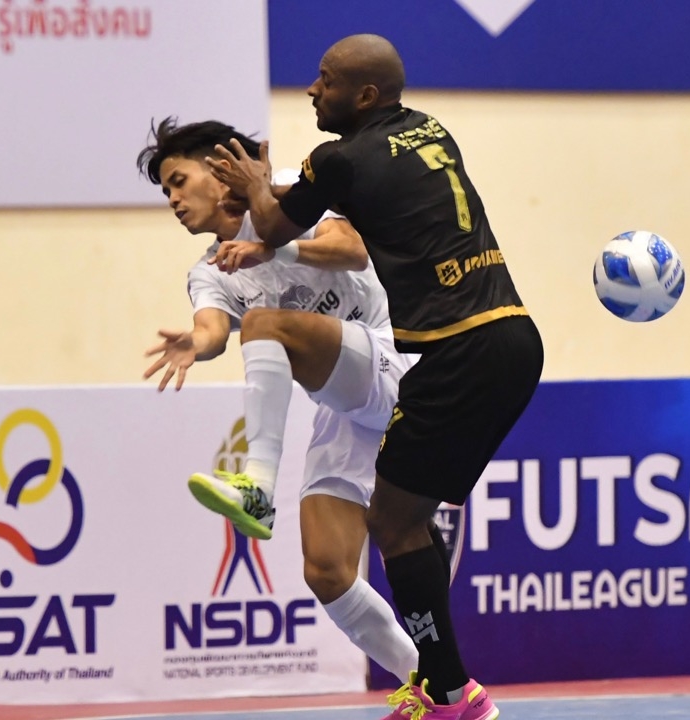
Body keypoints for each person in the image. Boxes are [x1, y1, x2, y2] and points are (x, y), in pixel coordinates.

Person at [208, 34, 544, 720]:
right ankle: (448, 690)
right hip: (515, 340)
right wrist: (270, 194)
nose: (312, 90)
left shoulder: (339, 158)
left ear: (364, 95)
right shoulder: (430, 130)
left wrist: (257, 187)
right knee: (403, 518)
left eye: (326, 80)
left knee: (394, 521)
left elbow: (272, 224)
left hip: (455, 350)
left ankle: (448, 694)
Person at [136, 116, 425, 683]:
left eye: (178, 181)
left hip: (395, 366)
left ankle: (258, 487)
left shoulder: (290, 194)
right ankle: (436, 686)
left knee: (264, 323)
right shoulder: (209, 272)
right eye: (166, 191)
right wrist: (195, 343)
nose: (172, 200)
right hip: (344, 408)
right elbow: (213, 330)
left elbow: (352, 250)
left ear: (220, 168)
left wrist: (274, 250)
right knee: (326, 570)